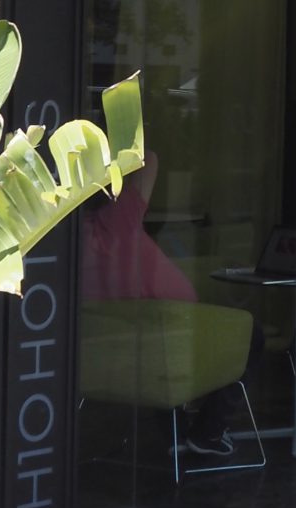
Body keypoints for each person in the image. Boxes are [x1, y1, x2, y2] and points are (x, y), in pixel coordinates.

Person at [81, 153, 243, 458]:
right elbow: (148, 158)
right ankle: (209, 432)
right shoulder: (117, 222)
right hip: (176, 329)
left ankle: (176, 436)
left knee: (159, 353)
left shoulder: (69, 243)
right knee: (248, 340)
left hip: (130, 342)